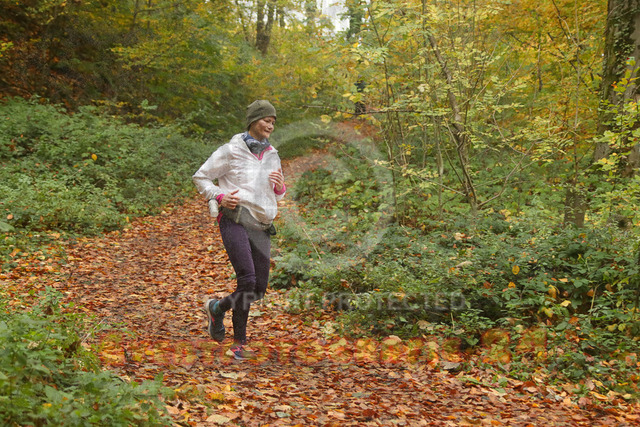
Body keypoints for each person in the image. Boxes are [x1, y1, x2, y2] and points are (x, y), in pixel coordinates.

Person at [192, 100, 286, 360]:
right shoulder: (230, 151)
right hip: (234, 218)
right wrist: (220, 196)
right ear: (253, 121)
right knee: (247, 280)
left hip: (261, 224)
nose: (270, 125)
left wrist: (280, 187)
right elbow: (200, 177)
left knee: (258, 289)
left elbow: (277, 193)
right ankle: (239, 345)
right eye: (266, 120)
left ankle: (217, 308)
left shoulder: (272, 154)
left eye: (273, 122)